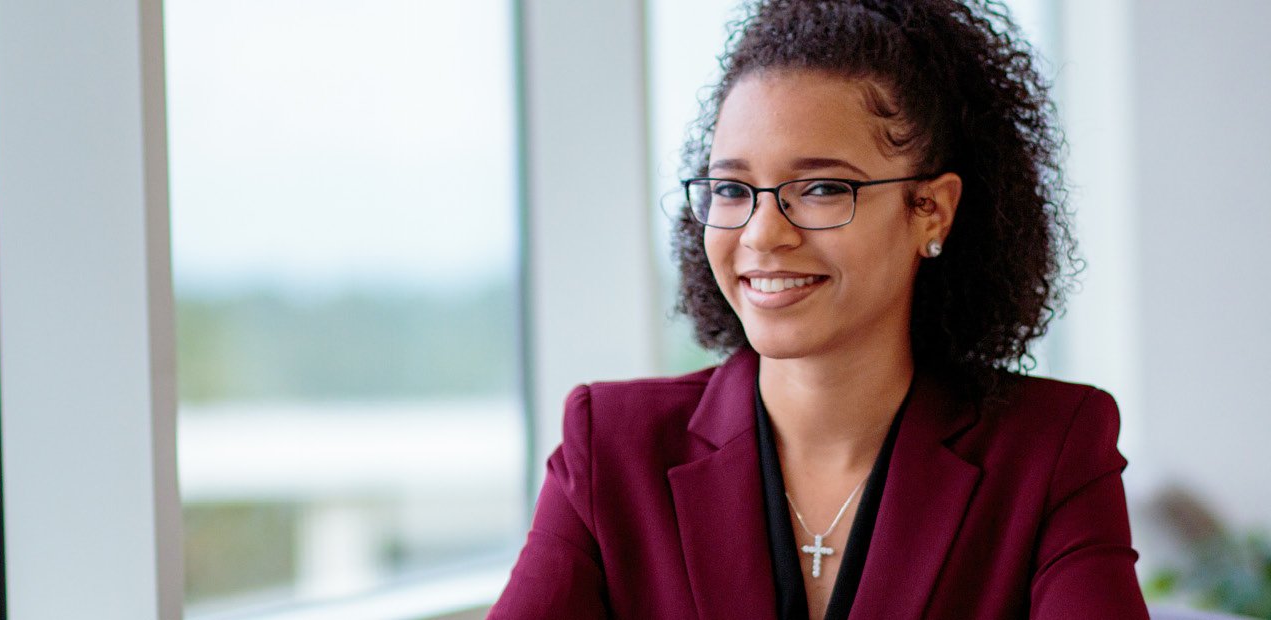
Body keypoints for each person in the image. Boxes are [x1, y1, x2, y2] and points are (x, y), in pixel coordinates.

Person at [490, 0, 1148, 618]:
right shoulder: (609, 447)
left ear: (930, 210)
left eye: (823, 188)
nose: (762, 233)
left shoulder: (1051, 451)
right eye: (731, 188)